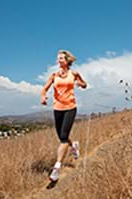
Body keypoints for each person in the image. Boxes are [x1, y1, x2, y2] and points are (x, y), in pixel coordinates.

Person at [41, 50, 87, 182]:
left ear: (67, 61)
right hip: (57, 109)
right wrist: (43, 97)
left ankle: (57, 168)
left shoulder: (74, 74)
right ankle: (74, 146)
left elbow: (85, 85)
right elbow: (44, 89)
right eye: (58, 59)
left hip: (70, 108)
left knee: (63, 138)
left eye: (61, 58)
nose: (58, 60)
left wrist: (80, 84)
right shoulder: (53, 75)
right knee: (62, 136)